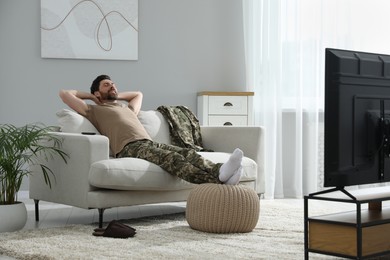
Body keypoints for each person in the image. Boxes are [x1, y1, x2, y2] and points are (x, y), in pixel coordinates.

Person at [59, 75, 243, 185]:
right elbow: (65, 94)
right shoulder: (94, 110)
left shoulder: (128, 109)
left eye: (113, 84)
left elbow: (138, 94)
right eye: (107, 85)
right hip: (129, 148)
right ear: (97, 93)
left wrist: (115, 95)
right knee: (173, 159)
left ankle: (221, 171)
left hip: (148, 144)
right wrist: (93, 97)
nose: (113, 86)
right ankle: (217, 180)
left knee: (189, 153)